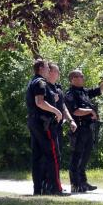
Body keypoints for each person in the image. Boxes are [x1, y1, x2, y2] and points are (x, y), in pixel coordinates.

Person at [65, 68, 103, 193]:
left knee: (85, 156)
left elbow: (101, 89)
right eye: (81, 76)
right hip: (78, 129)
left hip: (88, 128)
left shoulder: (83, 92)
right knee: (77, 156)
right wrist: (90, 111)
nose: (83, 78)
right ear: (73, 79)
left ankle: (83, 182)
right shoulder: (70, 93)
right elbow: (75, 111)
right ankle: (75, 184)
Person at [26, 59, 67, 196]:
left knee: (37, 156)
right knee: (53, 155)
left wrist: (53, 100)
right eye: (47, 67)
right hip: (44, 124)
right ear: (41, 68)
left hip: (35, 122)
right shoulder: (41, 82)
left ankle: (38, 189)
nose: (49, 70)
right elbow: (39, 102)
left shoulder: (33, 81)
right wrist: (57, 111)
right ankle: (56, 188)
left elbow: (40, 100)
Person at [47, 63, 77, 160]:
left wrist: (71, 120)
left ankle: (55, 175)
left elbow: (63, 106)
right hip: (47, 127)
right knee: (50, 156)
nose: (59, 73)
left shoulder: (58, 88)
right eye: (57, 71)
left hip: (58, 127)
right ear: (50, 72)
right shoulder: (44, 88)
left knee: (58, 154)